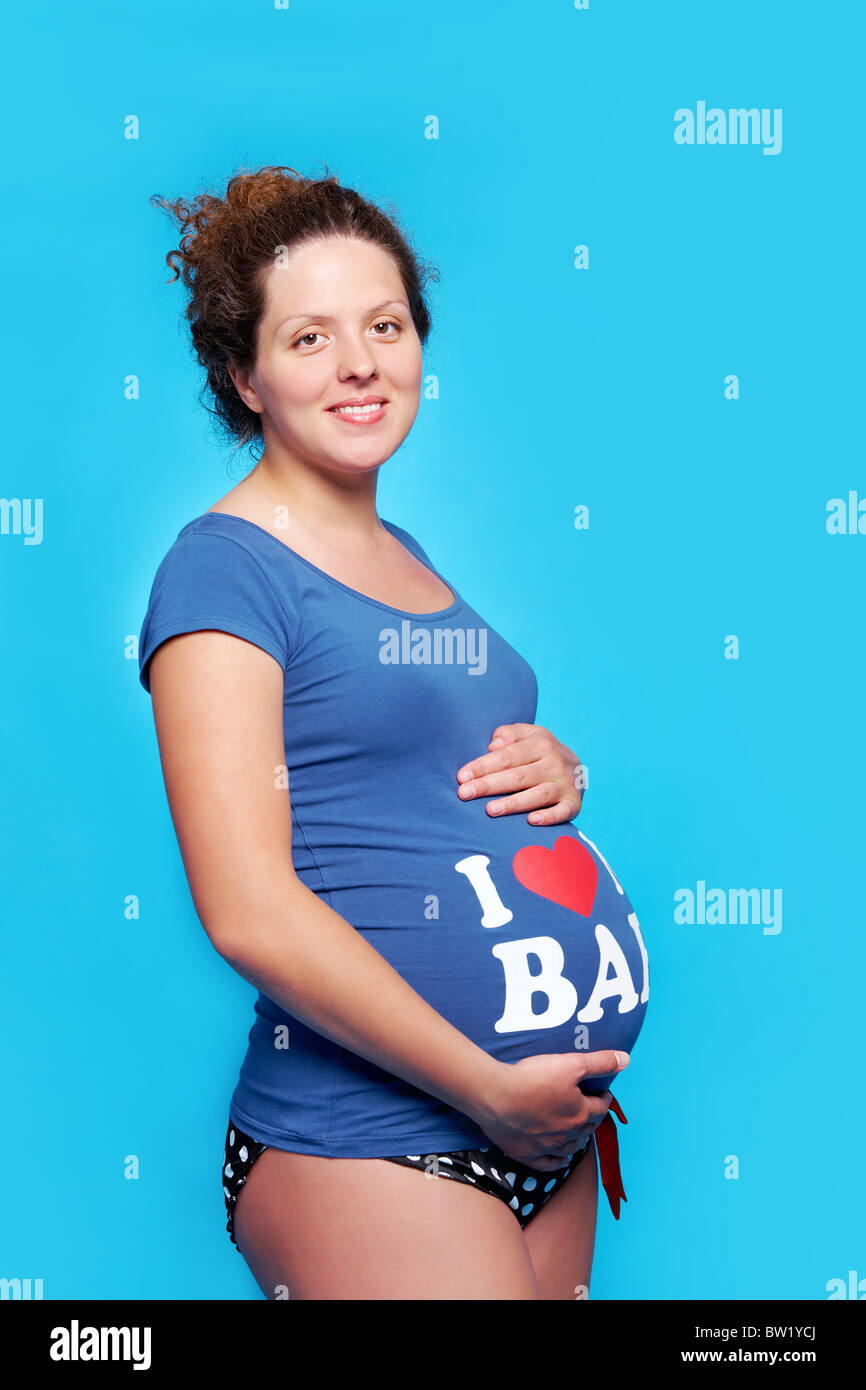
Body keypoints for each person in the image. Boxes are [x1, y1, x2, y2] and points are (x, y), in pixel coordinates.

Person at [138, 165, 649, 1300]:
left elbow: (418, 766)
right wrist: (482, 1085)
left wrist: (556, 761)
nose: (360, 362)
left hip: (535, 1135)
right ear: (245, 377)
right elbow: (245, 906)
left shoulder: (407, 554)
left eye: (383, 324)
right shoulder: (221, 568)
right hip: (365, 1132)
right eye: (309, 337)